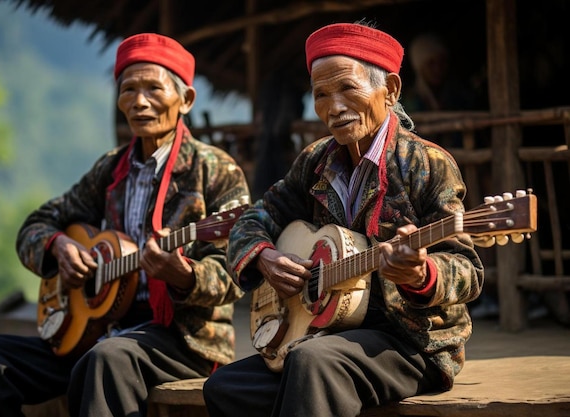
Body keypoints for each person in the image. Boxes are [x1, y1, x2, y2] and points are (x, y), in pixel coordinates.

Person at [0, 33, 250, 417]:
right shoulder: (111, 169)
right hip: (102, 329)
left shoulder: (215, 170)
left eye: (152, 88)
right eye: (128, 89)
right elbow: (37, 224)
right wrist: (58, 247)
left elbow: (237, 270)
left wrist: (184, 275)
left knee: (107, 358)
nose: (139, 101)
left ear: (186, 100)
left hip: (182, 341)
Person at [203, 20, 483, 417]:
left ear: (390, 90)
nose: (333, 109)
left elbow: (467, 269)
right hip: (328, 332)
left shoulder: (427, 164)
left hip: (410, 343)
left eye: (348, 89)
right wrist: (264, 256)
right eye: (320, 95)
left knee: (312, 364)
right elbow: (254, 219)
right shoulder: (316, 161)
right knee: (225, 387)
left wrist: (422, 275)